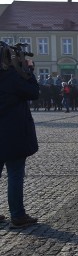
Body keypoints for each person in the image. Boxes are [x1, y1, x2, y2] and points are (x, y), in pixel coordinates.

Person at [0, 48, 39, 228]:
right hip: (12, 134)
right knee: (15, 174)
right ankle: (17, 214)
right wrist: (25, 69)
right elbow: (33, 92)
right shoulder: (11, 77)